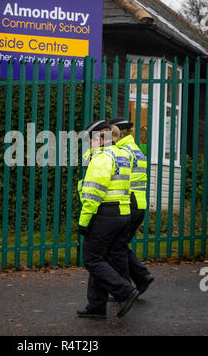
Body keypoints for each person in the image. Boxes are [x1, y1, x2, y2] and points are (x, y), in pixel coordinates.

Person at [77, 120, 140, 319]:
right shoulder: (121, 154)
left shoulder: (101, 159)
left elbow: (93, 193)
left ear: (98, 138)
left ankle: (125, 291)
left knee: (91, 258)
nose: (89, 144)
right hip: (122, 213)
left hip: (105, 214)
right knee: (101, 257)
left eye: (90, 140)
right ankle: (96, 306)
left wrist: (84, 221)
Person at [109, 117, 154, 295]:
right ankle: (142, 277)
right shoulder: (135, 149)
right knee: (120, 244)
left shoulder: (122, 151)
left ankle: (125, 288)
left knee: (116, 248)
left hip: (129, 202)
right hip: (139, 203)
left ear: (116, 133)